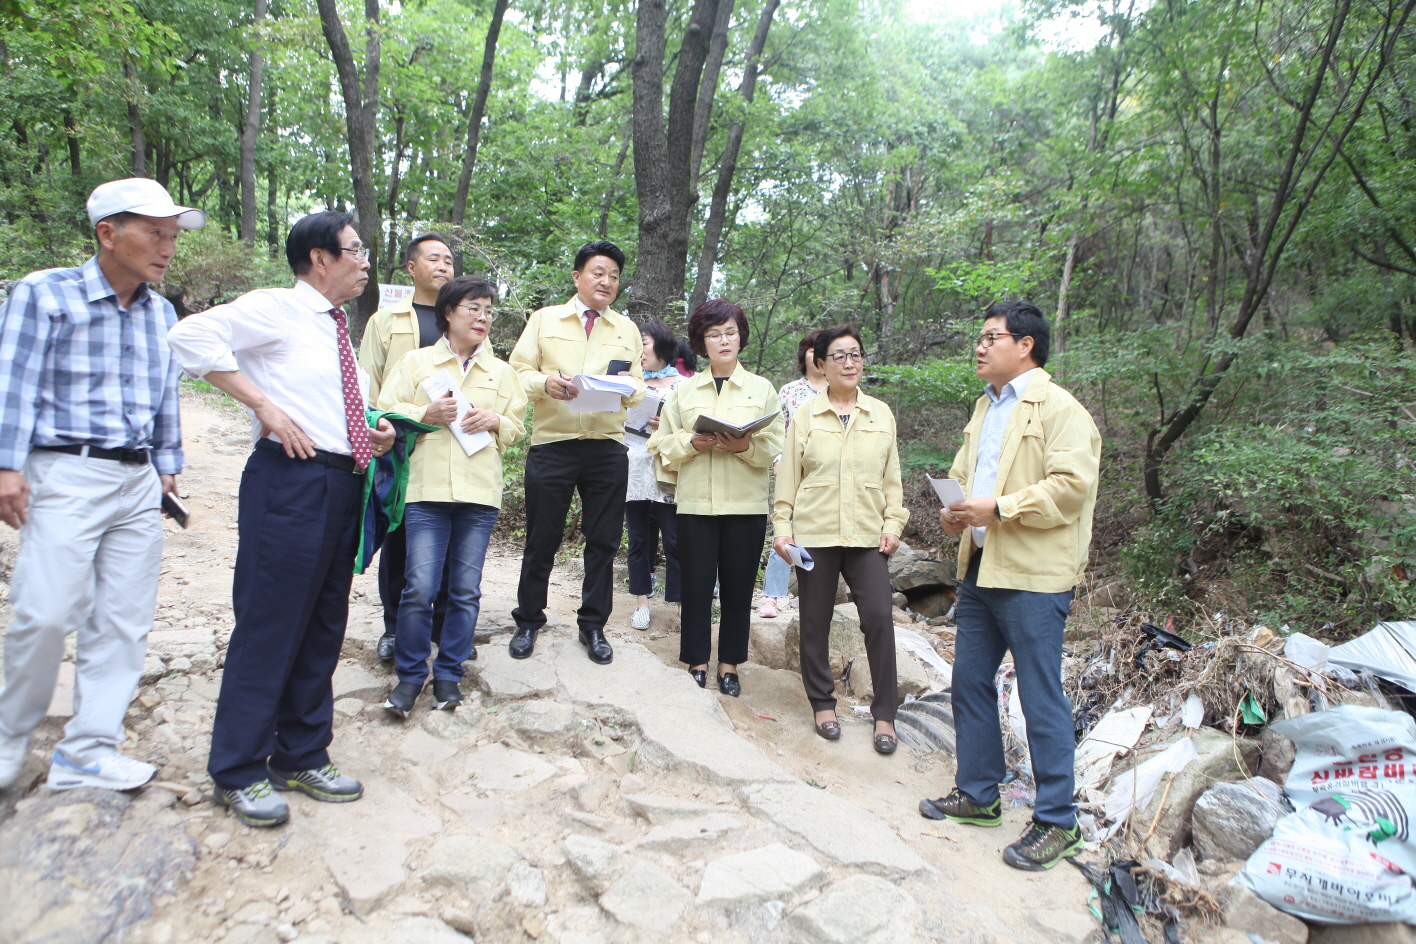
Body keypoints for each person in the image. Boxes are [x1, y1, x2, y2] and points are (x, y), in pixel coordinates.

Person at [167, 211, 397, 827]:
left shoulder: (333, 327)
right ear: (320, 258)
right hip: (290, 482)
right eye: (356, 250)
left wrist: (367, 435)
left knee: (323, 624)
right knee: (269, 625)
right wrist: (264, 407)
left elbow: (324, 401)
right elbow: (188, 338)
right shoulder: (277, 306)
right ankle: (237, 769)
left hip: (339, 481)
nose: (365, 260)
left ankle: (300, 753)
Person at [0, 178, 202, 792]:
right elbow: (14, 381)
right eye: (154, 233)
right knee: (44, 610)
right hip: (65, 470)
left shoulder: (160, 312)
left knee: (122, 617)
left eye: (172, 237)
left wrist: (168, 465)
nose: (167, 247)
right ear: (108, 233)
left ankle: (88, 748)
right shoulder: (45, 294)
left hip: (137, 480)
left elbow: (164, 394)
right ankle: (9, 744)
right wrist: (7, 466)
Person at [918, 300, 1101, 872]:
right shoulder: (986, 407)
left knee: (1039, 694)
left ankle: (1057, 821)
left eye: (990, 337)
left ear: (1025, 345)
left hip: (1033, 577)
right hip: (980, 567)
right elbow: (966, 474)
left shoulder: (1061, 409)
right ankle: (978, 794)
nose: (979, 346)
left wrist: (998, 506)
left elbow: (1071, 487)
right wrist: (957, 510)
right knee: (969, 682)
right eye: (980, 337)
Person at [376, 275, 526, 716]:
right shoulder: (417, 362)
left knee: (464, 589)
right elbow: (385, 408)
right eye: (473, 308)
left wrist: (495, 420)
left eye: (488, 310)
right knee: (419, 586)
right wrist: (425, 412)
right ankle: (408, 678)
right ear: (448, 312)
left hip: (479, 495)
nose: (483, 317)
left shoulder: (502, 372)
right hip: (427, 491)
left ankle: (448, 676)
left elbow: (516, 428)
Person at [507, 240, 646, 664]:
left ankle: (593, 626)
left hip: (606, 447)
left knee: (603, 540)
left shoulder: (626, 329)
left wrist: (626, 391)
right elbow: (517, 371)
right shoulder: (545, 319)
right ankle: (529, 619)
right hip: (554, 444)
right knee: (542, 537)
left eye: (614, 276)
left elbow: (639, 385)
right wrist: (545, 384)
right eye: (598, 272)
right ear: (577, 276)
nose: (606, 281)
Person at [771, 324, 905, 753]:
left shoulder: (881, 414)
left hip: (867, 534)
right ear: (822, 364)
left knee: (880, 618)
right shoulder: (806, 415)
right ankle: (822, 703)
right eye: (840, 356)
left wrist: (893, 524)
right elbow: (789, 476)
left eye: (856, 355)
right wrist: (783, 530)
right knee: (815, 620)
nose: (850, 363)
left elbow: (893, 480)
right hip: (816, 531)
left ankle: (884, 714)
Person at [649, 300, 783, 696]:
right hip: (695, 504)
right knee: (695, 586)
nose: (723, 340)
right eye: (713, 334)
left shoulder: (762, 389)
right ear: (701, 342)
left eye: (730, 332)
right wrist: (692, 441)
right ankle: (697, 661)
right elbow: (660, 443)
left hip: (746, 505)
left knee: (739, 589)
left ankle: (729, 666)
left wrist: (743, 446)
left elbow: (775, 444)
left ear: (741, 337)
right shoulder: (683, 390)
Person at [359, 233, 456, 662]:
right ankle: (394, 627)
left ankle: (442, 628)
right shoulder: (386, 320)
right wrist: (377, 431)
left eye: (450, 260)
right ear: (411, 268)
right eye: (433, 259)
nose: (444, 266)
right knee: (398, 537)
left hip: (452, 446)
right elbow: (367, 384)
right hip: (400, 444)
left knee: (451, 537)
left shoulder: (464, 318)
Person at [625, 320, 690, 630]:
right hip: (635, 467)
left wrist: (664, 427)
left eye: (645, 343)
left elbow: (692, 429)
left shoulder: (684, 385)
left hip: (668, 470)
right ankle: (641, 602)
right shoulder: (631, 382)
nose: (641, 351)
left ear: (662, 347)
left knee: (675, 540)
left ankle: (680, 605)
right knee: (638, 538)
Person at [759, 329, 827, 619]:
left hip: (829, 474)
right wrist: (777, 460)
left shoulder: (840, 392)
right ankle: (772, 596)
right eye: (812, 349)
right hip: (793, 471)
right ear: (804, 354)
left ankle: (826, 595)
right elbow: (775, 431)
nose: (817, 355)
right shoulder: (788, 391)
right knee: (785, 528)